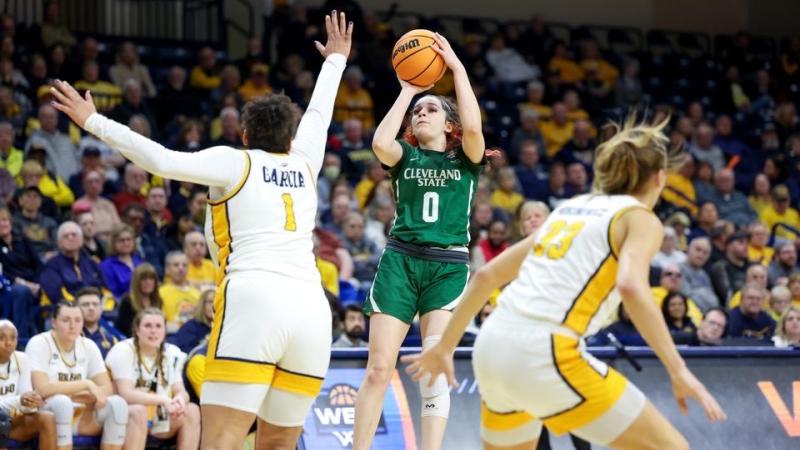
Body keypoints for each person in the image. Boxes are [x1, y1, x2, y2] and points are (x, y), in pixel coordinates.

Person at [49, 10, 352, 450]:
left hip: (254, 296)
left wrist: (95, 122)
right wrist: (336, 60)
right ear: (289, 139)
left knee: (220, 441)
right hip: (311, 310)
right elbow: (320, 114)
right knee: (280, 443)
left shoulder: (235, 161)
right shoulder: (305, 162)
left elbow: (162, 160)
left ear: (245, 135)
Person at [402, 116, 725, 449]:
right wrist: (678, 369)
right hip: (546, 351)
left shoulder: (571, 208)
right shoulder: (640, 218)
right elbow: (631, 286)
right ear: (660, 178)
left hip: (492, 348)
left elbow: (487, 276)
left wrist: (444, 347)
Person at [354, 31, 486, 450]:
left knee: (434, 366)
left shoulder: (465, 157)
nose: (420, 114)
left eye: (430, 109)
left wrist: (458, 69)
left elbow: (474, 124)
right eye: (417, 113)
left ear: (449, 124)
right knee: (378, 368)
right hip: (400, 262)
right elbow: (379, 142)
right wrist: (408, 90)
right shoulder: (403, 157)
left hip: (447, 267)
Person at [26, 302, 135, 450]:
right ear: (53, 323)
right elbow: (41, 390)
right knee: (61, 403)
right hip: (47, 414)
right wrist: (86, 385)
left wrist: (74, 395)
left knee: (118, 404)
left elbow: (107, 389)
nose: (72, 326)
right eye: (66, 320)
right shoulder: (39, 343)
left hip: (82, 414)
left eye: (78, 320)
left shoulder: (88, 345)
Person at [105, 308, 199, 450]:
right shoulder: (124, 350)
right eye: (148, 326)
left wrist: (179, 399)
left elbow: (180, 390)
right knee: (139, 411)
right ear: (137, 329)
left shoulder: (171, 353)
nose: (153, 331)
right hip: (124, 416)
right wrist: (164, 400)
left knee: (192, 410)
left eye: (158, 326)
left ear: (164, 331)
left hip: (158, 418)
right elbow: (126, 394)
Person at [0, 320, 57, 450]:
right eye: (1, 338)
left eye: (13, 338)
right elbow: (19, 400)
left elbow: (25, 404)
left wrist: (32, 403)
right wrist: (19, 400)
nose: (8, 343)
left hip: (13, 421)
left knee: (47, 418)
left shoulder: (22, 359)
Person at [117, 263, 163, 337]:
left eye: (151, 279)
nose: (148, 282)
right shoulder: (127, 301)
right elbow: (124, 330)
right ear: (136, 282)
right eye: (144, 279)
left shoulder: (158, 301)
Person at [100, 223, 143, 301]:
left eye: (129, 239)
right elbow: (113, 293)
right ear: (114, 243)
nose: (126, 243)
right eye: (121, 240)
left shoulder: (139, 261)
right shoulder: (107, 266)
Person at [77, 287, 123, 358]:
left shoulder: (111, 340)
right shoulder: (70, 338)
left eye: (95, 304)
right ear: (77, 308)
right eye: (86, 304)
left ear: (101, 309)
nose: (91, 308)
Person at [170, 287, 214, 353]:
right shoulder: (190, 327)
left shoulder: (222, 328)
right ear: (202, 304)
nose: (214, 305)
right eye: (210, 302)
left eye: (217, 302)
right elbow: (185, 352)